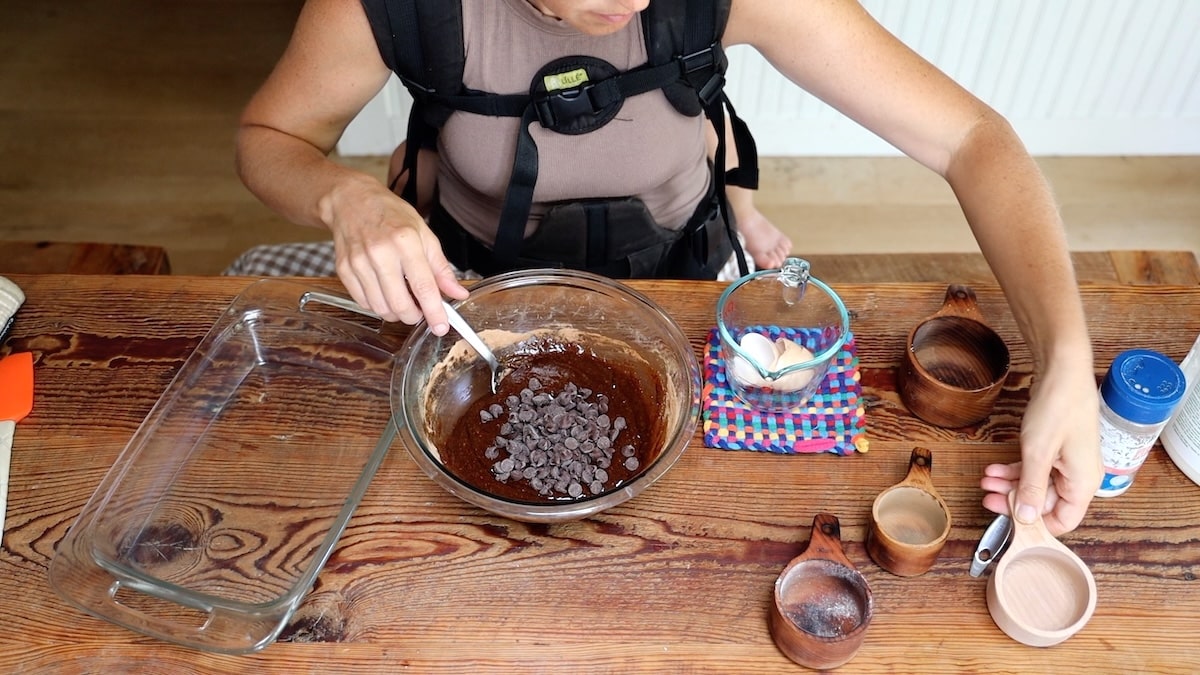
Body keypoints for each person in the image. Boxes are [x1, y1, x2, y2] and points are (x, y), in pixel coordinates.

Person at [234, 0, 1101, 534]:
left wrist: (1064, 359)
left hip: (681, 280)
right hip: (469, 294)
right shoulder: (387, 6)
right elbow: (268, 139)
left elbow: (973, 140)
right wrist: (344, 199)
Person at [385, 117, 794, 272]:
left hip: (673, 246)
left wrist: (744, 212)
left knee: (712, 122)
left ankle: (748, 216)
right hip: (492, 254)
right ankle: (417, 232)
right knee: (416, 155)